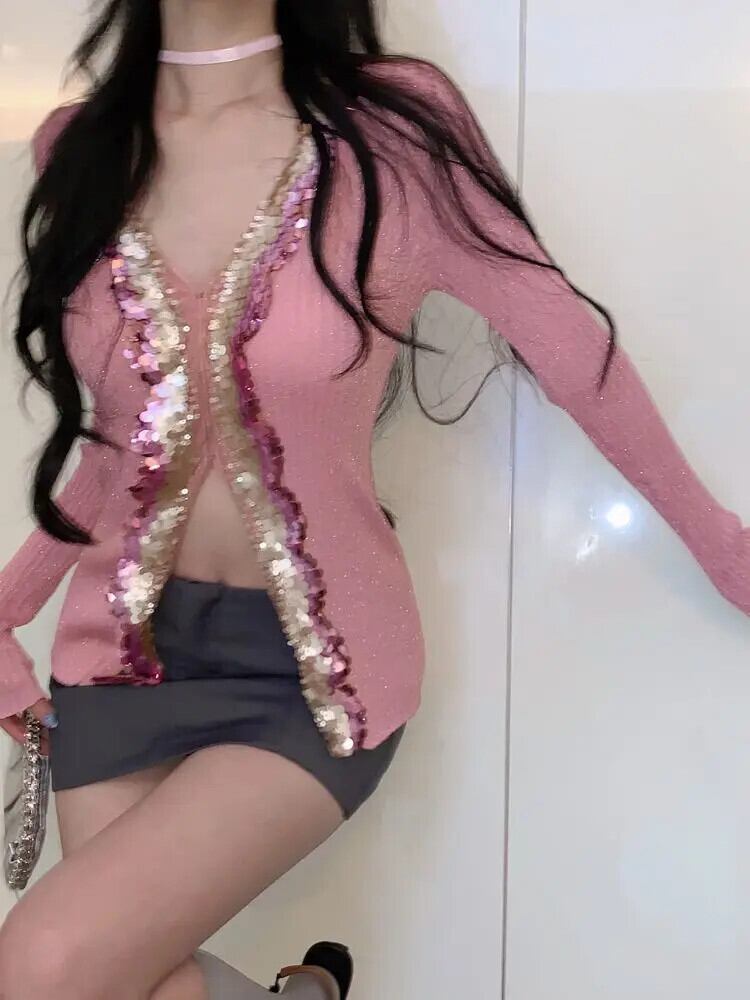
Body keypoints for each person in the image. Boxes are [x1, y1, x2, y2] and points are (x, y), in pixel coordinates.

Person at [0, 1, 748, 998]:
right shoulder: (80, 147)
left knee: (43, 967)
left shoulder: (392, 132)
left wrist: (725, 549)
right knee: (134, 983)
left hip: (314, 676)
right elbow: (117, 450)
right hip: (118, 663)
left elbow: (575, 353)